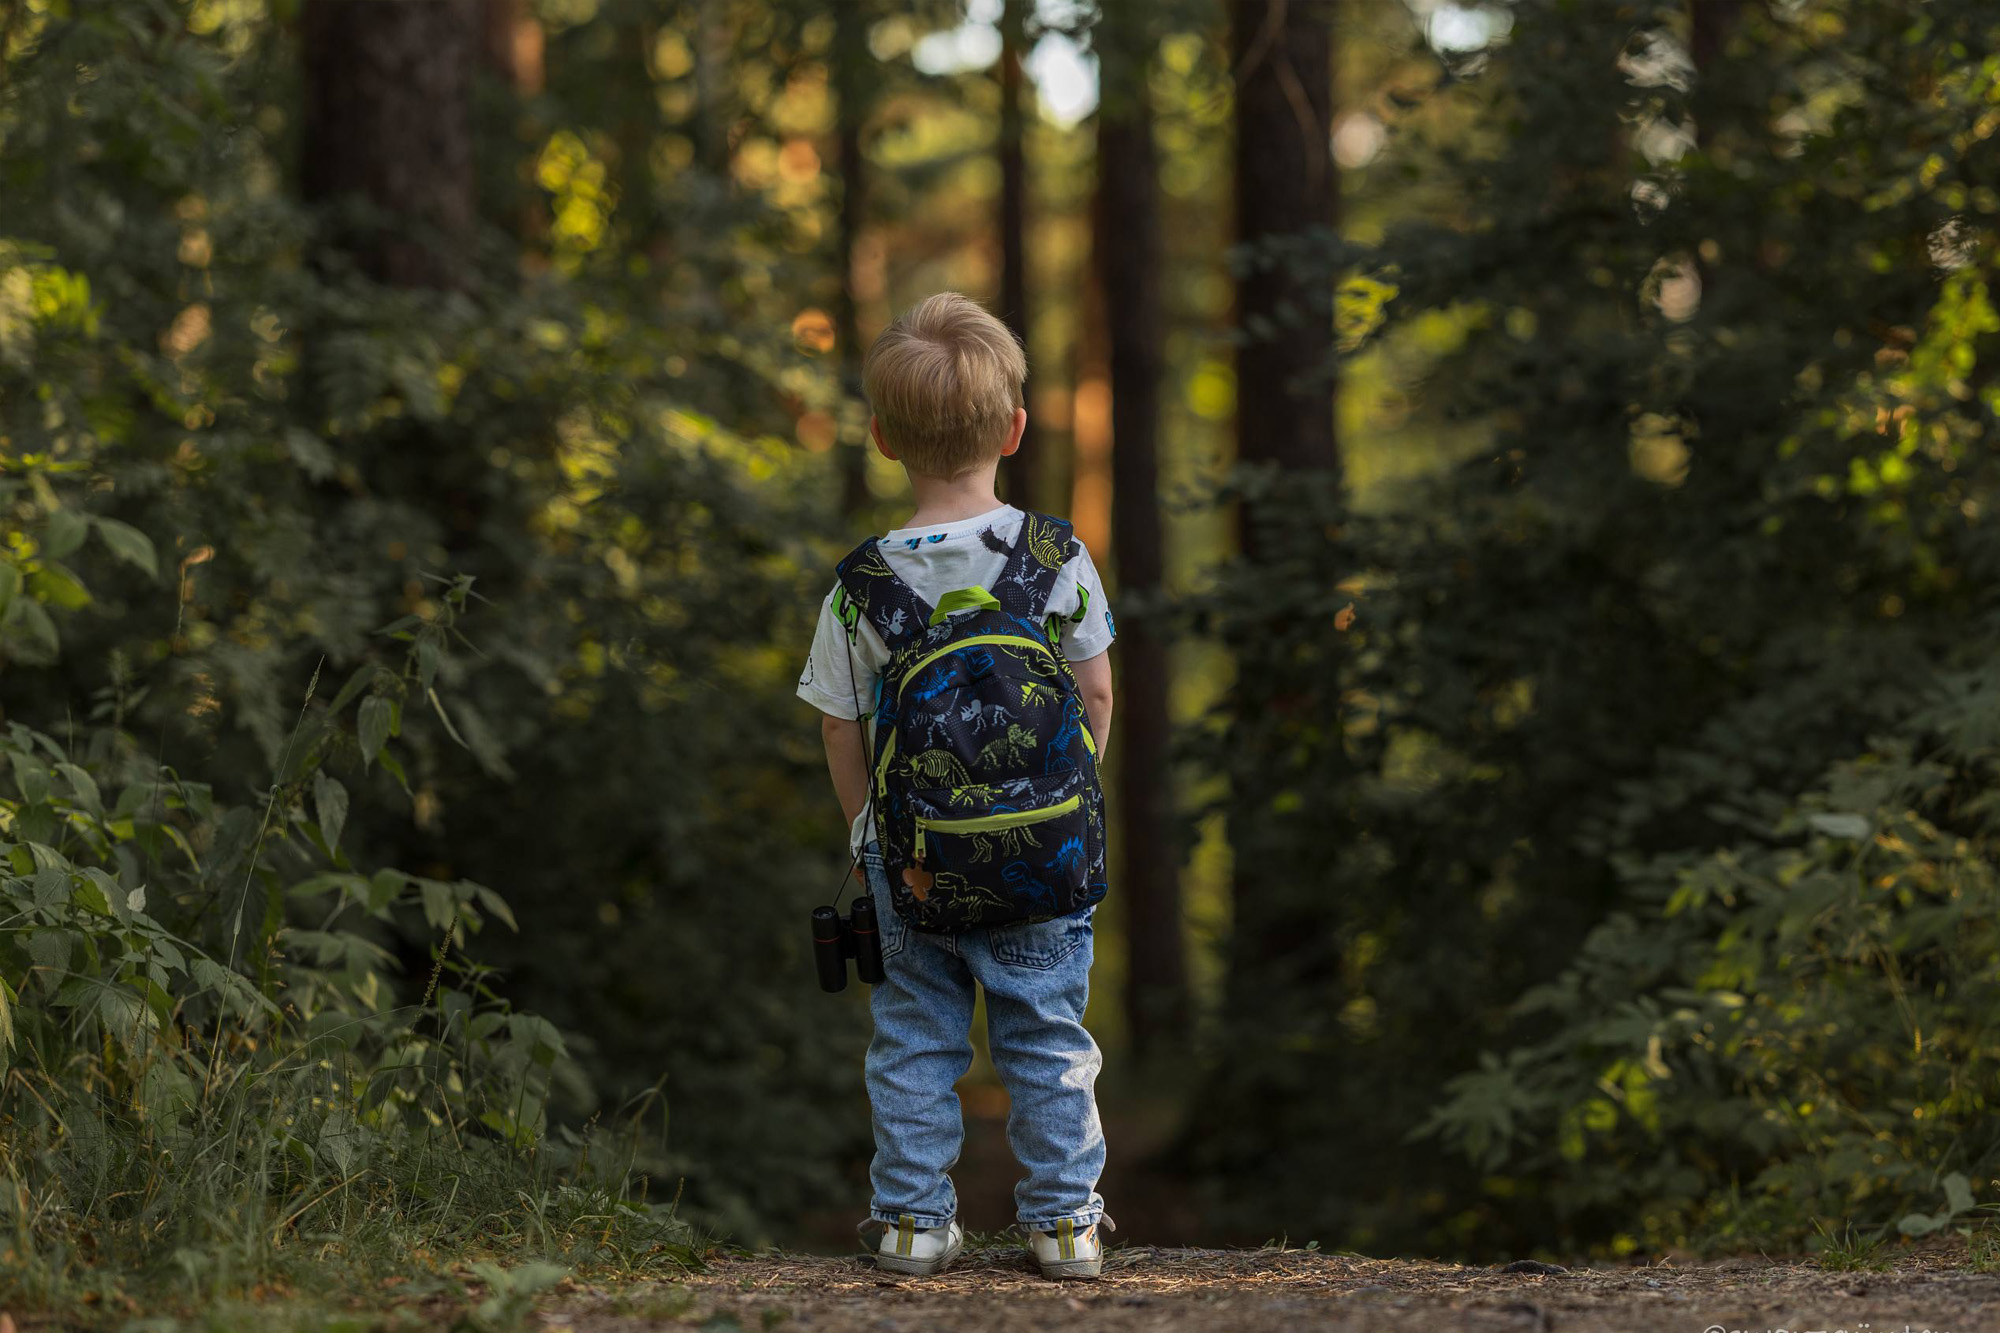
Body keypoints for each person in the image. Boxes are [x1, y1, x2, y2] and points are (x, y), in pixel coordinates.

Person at [797, 292, 1117, 1279]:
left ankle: (909, 1223)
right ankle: (1064, 1225)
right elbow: (1095, 690)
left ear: (885, 438)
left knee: (915, 1039)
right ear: (1014, 428)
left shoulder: (861, 585)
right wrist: (1059, 802)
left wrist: (868, 830)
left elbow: (838, 723)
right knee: (1045, 1036)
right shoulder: (1056, 558)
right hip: (1044, 853)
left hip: (914, 864)